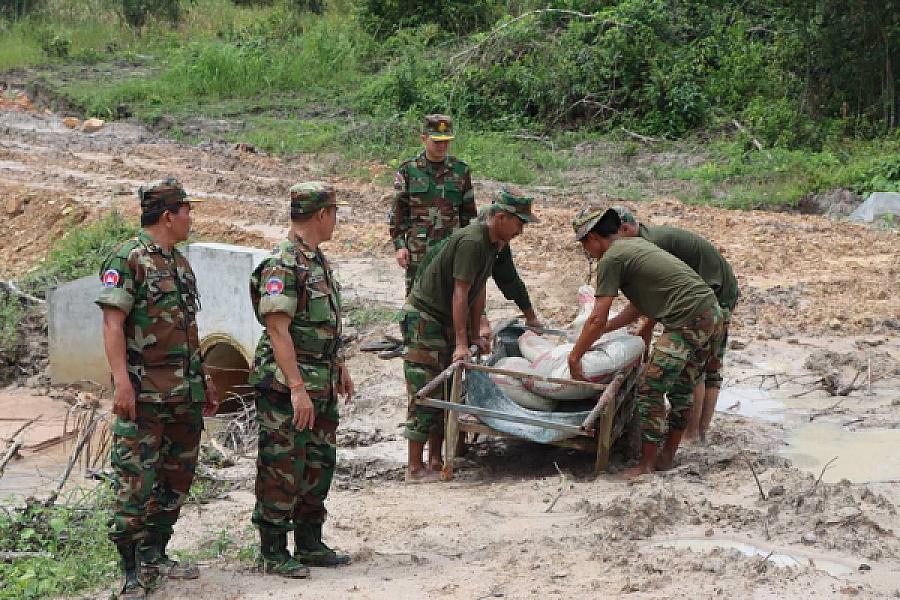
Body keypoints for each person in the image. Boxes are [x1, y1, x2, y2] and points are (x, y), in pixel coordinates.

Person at [97, 177, 219, 599]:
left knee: (176, 478)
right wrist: (122, 384)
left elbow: (188, 328)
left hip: (184, 395)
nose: (191, 218)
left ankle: (155, 552)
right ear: (168, 215)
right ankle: (130, 571)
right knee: (136, 482)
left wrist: (204, 378)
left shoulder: (180, 264)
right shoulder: (127, 259)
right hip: (145, 395)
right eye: (187, 210)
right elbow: (112, 324)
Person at [567, 207, 723, 478]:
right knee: (682, 388)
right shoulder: (634, 245)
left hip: (688, 320)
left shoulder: (611, 259)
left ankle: (646, 465)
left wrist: (574, 356)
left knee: (649, 386)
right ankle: (666, 457)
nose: (587, 251)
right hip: (712, 313)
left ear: (592, 238)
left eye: (584, 245)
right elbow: (637, 307)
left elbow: (596, 316)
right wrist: (605, 331)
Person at [249, 182, 355, 578]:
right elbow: (278, 330)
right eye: (334, 213)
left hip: (320, 378)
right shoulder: (284, 263)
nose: (336, 220)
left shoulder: (316, 260)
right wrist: (296, 388)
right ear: (321, 215)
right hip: (288, 384)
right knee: (282, 464)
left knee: (318, 462)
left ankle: (309, 542)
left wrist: (338, 364)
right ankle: (273, 550)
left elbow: (324, 322)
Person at [401, 190, 538, 482]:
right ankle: (414, 467)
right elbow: (460, 293)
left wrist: (474, 333)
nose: (521, 231)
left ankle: (436, 460)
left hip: (446, 320)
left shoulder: (493, 244)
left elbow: (478, 291)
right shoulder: (473, 241)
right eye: (519, 223)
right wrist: (462, 343)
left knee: (449, 385)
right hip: (426, 321)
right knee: (425, 388)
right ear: (501, 218)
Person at [607, 205, 739, 443]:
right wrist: (644, 331)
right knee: (702, 365)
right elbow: (659, 297)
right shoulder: (644, 238)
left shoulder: (651, 246)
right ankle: (696, 431)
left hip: (715, 293)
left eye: (614, 238)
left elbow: (664, 295)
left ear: (625, 229)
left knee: (697, 364)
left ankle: (693, 434)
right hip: (705, 291)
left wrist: (637, 329)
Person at [389, 114, 477, 296]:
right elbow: (399, 211)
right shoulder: (409, 170)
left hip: (451, 246)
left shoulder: (460, 170)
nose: (442, 146)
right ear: (424, 138)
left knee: (453, 297)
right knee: (417, 299)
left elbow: (468, 214)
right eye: (437, 141)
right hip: (419, 248)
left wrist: (469, 248)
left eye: (446, 141)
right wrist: (399, 245)